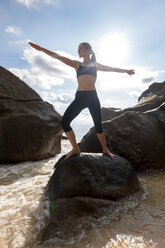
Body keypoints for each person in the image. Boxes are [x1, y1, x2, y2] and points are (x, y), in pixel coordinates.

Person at [29, 41, 135, 160]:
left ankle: (105, 149)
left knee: (98, 125)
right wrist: (41, 48)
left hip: (92, 97)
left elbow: (112, 69)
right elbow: (58, 57)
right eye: (78, 49)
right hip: (80, 97)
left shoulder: (95, 65)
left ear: (88, 50)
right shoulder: (76, 64)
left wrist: (126, 70)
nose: (78, 51)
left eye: (80, 48)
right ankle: (75, 148)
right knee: (64, 122)